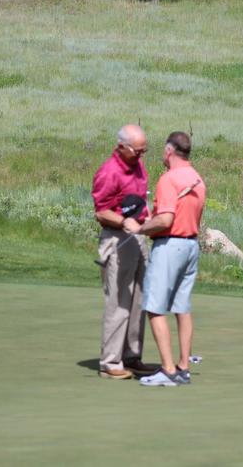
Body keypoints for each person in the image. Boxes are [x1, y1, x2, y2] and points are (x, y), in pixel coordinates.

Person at [124, 131, 206, 387]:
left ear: (169, 151)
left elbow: (166, 219)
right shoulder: (197, 179)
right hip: (191, 245)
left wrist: (139, 228)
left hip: (170, 246)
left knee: (154, 308)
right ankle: (183, 367)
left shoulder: (169, 179)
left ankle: (169, 370)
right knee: (182, 307)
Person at [91, 124, 156, 380]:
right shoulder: (109, 172)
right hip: (117, 239)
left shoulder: (138, 166)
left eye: (144, 151)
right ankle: (110, 362)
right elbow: (101, 211)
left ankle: (132, 356)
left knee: (139, 300)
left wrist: (147, 219)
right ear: (122, 147)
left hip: (138, 237)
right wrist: (122, 221)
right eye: (137, 151)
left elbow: (139, 201)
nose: (141, 155)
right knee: (119, 301)